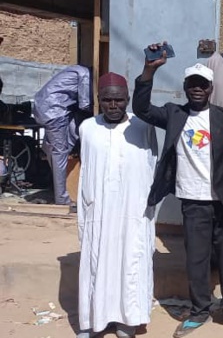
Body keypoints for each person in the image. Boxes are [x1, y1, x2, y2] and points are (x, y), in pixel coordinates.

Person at [133, 45, 223, 338]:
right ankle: (199, 311)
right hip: (193, 202)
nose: (197, 89)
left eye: (203, 84)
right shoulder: (175, 114)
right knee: (196, 259)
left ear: (211, 88)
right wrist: (149, 71)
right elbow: (142, 109)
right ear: (185, 87)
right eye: (192, 84)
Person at [76, 73, 158, 338]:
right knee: (96, 262)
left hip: (132, 210)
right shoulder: (87, 127)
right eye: (107, 100)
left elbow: (151, 165)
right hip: (99, 209)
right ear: (99, 100)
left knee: (130, 260)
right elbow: (86, 170)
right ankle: (95, 319)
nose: (113, 105)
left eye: (119, 100)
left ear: (128, 99)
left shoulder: (142, 125)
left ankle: (128, 319)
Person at [33, 65, 92, 206]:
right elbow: (85, 105)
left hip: (45, 108)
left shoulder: (75, 70)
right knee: (60, 153)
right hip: (54, 112)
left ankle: (59, 185)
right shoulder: (85, 75)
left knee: (57, 147)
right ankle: (61, 198)